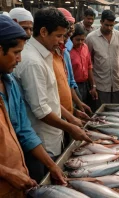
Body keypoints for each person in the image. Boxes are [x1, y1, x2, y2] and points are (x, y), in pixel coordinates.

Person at [13, 7, 92, 183]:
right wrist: (70, 127)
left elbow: (50, 99)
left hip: (53, 137)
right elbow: (41, 110)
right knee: (45, 185)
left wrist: (71, 117)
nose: (61, 41)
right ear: (43, 31)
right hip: (41, 142)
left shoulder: (44, 54)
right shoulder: (32, 62)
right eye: (58, 36)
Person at [0, 15, 66, 197]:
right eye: (15, 53)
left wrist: (52, 165)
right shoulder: (31, 64)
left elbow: (24, 130)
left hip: (16, 182)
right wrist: (6, 172)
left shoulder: (10, 83)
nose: (20, 59)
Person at [86, 10, 119, 108]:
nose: (109, 28)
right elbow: (88, 61)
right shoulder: (91, 38)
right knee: (103, 115)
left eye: (111, 25)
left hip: (118, 84)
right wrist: (93, 85)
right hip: (101, 85)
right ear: (101, 22)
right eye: (106, 25)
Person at [58, 8, 92, 117]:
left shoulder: (64, 52)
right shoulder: (66, 51)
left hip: (77, 89)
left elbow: (70, 81)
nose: (81, 43)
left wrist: (78, 104)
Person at [70, 24, 98, 109]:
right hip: (74, 87)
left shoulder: (85, 47)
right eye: (77, 40)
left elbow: (89, 66)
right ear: (71, 38)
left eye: (82, 40)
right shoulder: (67, 51)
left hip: (85, 85)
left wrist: (93, 86)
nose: (80, 42)